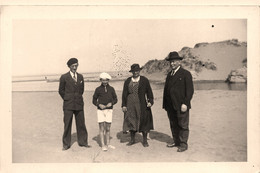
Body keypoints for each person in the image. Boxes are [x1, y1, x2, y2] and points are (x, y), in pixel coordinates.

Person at [163, 51, 194, 152]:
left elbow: (190, 91)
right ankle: (176, 141)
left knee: (183, 125)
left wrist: (185, 103)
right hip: (170, 106)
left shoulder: (186, 74)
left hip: (181, 105)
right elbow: (166, 90)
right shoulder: (169, 75)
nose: (172, 64)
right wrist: (165, 105)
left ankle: (183, 144)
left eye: (174, 61)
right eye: (171, 62)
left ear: (179, 62)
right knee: (173, 124)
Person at [58, 58, 91, 150]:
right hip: (68, 104)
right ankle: (66, 144)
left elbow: (82, 90)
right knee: (67, 124)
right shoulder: (64, 77)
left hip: (79, 104)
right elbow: (61, 90)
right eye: (73, 66)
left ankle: (83, 142)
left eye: (76, 66)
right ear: (69, 66)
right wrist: (67, 98)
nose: (75, 68)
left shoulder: (80, 77)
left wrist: (77, 97)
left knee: (81, 124)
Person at [122, 63, 154, 147]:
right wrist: (124, 105)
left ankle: (144, 141)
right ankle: (132, 140)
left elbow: (149, 92)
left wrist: (150, 101)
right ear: (132, 72)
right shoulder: (128, 81)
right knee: (131, 121)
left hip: (141, 103)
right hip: (130, 104)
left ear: (139, 71)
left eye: (137, 70)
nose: (136, 72)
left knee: (143, 121)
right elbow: (124, 94)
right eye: (134, 71)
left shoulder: (144, 80)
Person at [92, 72, 118, 151]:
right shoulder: (98, 89)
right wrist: (98, 104)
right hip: (100, 111)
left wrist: (111, 103)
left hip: (109, 110)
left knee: (108, 128)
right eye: (103, 80)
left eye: (106, 80)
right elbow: (93, 100)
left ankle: (108, 144)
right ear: (100, 80)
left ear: (108, 80)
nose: (105, 82)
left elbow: (115, 99)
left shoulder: (112, 89)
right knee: (101, 128)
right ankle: (103, 145)